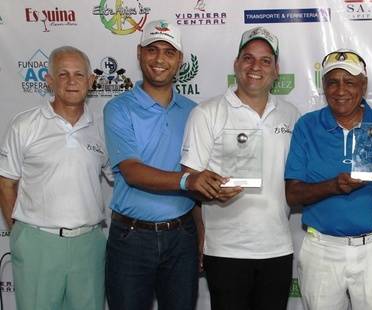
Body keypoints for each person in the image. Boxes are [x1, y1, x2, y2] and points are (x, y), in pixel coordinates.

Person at [103, 19, 224, 310]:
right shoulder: (118, 108)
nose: (159, 59)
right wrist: (187, 181)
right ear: (139, 53)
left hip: (182, 236)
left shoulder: (195, 112)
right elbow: (131, 171)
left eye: (169, 52)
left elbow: (195, 175)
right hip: (131, 238)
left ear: (180, 60)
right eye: (152, 50)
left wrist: (201, 232)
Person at [180, 26, 300, 310]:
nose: (255, 66)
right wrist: (209, 191)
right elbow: (188, 178)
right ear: (236, 64)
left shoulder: (291, 115)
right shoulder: (206, 113)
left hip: (278, 248)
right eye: (248, 58)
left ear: (276, 70)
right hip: (226, 250)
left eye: (265, 60)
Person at [284, 49, 372, 310]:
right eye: (332, 82)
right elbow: (292, 195)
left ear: (363, 85)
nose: (340, 90)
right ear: (323, 87)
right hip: (321, 250)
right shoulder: (307, 126)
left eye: (349, 81)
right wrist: (334, 186)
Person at [0, 46, 108, 310]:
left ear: (91, 81)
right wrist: (21, 233)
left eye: (79, 74)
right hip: (38, 244)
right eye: (63, 74)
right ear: (48, 80)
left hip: (89, 245)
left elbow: (121, 176)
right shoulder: (24, 125)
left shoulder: (102, 128)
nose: (72, 81)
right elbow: (6, 182)